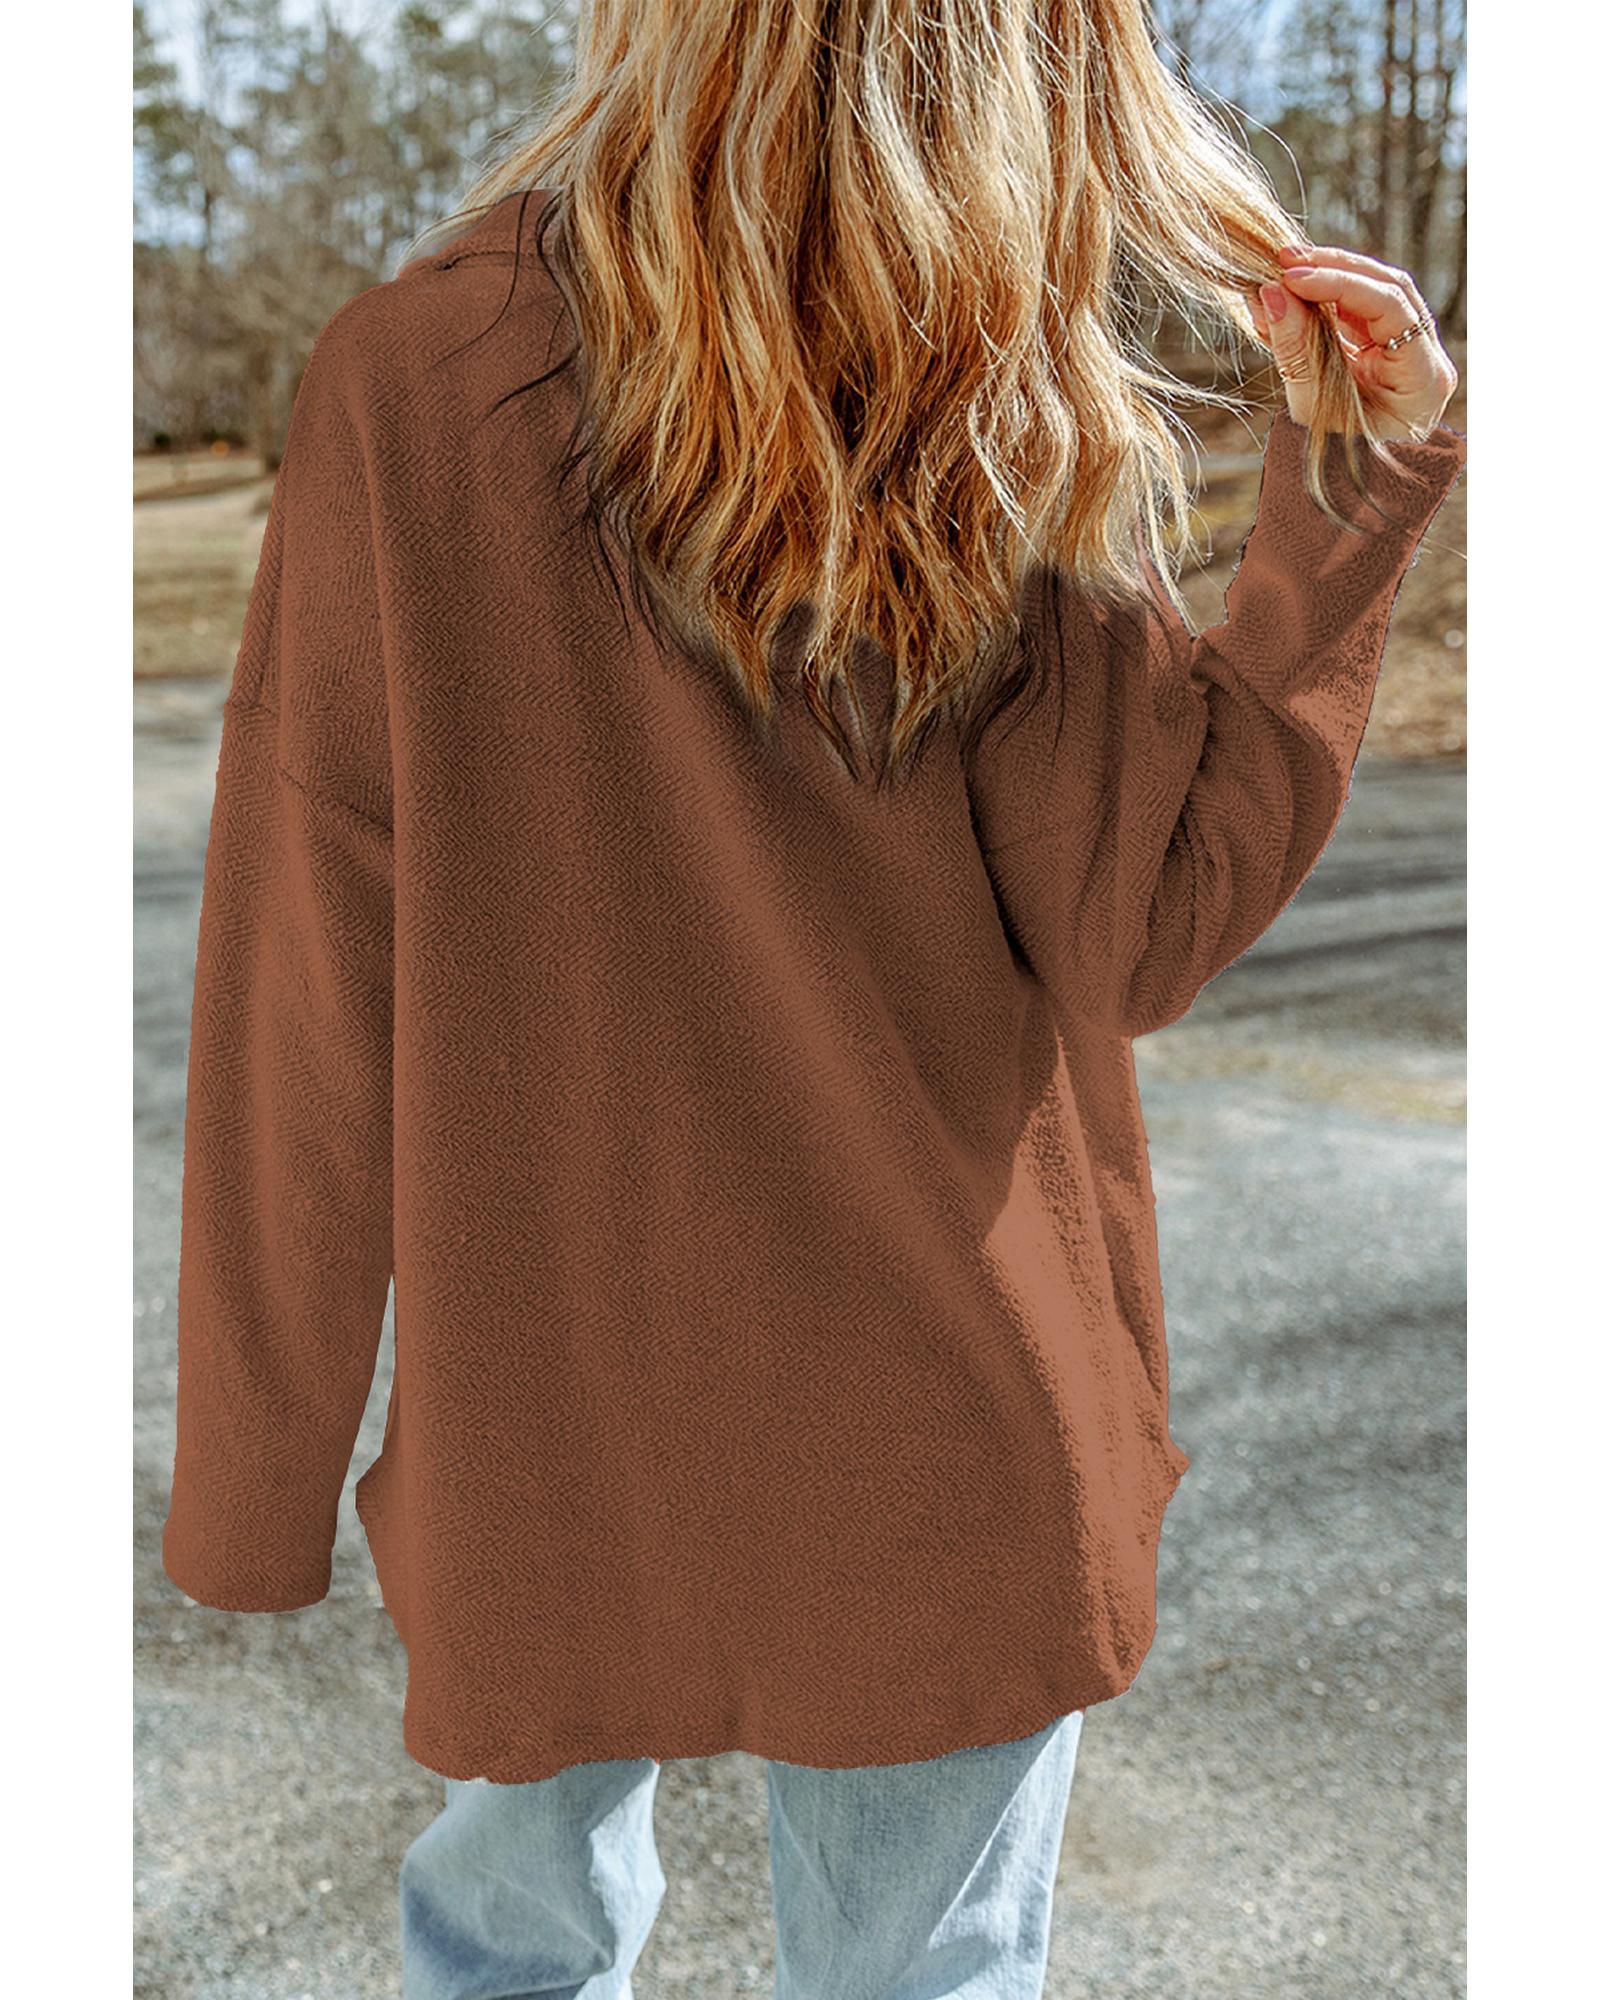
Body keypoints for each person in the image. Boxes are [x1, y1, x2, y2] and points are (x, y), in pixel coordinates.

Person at [160, 2, 1464, 1994]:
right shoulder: (994, 396)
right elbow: (1144, 924)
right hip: (946, 1425)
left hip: (546, 1435)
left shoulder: (409, 382)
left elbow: (302, 978)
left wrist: (256, 1483)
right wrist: (1347, 492)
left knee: (507, 1953)